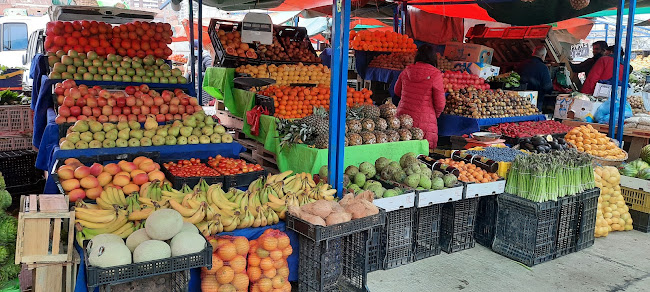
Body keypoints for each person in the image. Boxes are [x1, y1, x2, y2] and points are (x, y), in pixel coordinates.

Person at [393, 44, 445, 149]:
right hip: (424, 119)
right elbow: (440, 104)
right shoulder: (436, 74)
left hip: (404, 116)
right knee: (421, 156)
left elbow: (396, 91)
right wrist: (434, 115)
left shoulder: (406, 71)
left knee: (402, 151)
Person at [515, 45, 553, 110]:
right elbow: (547, 86)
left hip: (519, 100)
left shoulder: (521, 65)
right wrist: (550, 91)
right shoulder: (543, 68)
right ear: (542, 56)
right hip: (535, 101)